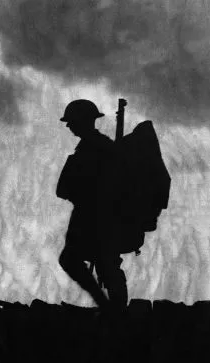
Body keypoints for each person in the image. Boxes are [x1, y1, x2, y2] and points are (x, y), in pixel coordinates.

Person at [56, 99, 127, 311]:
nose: (69, 126)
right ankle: (111, 308)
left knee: (85, 261)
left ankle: (109, 307)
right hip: (96, 216)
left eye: (72, 121)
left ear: (82, 121)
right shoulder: (96, 146)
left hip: (94, 216)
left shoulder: (94, 148)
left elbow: (81, 185)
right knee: (104, 263)